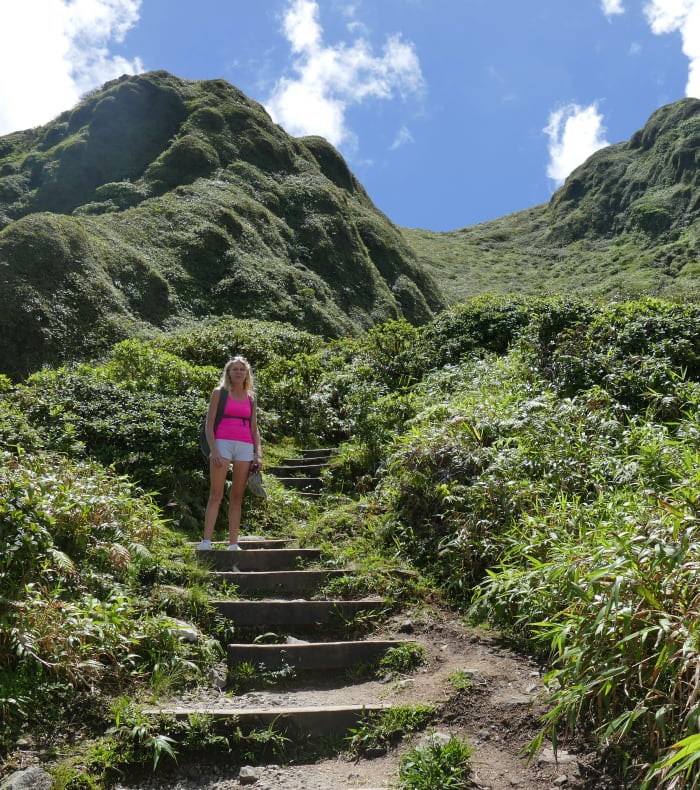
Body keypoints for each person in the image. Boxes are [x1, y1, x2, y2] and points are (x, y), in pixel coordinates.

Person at [196, 356, 262, 551]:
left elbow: (254, 428)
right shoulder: (219, 392)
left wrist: (258, 453)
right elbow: (209, 424)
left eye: (242, 369)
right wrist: (214, 450)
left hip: (245, 446)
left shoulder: (251, 397)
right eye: (235, 369)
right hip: (222, 443)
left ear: (247, 373)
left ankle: (233, 544)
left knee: (237, 496)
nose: (239, 372)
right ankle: (206, 541)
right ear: (228, 372)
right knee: (216, 494)